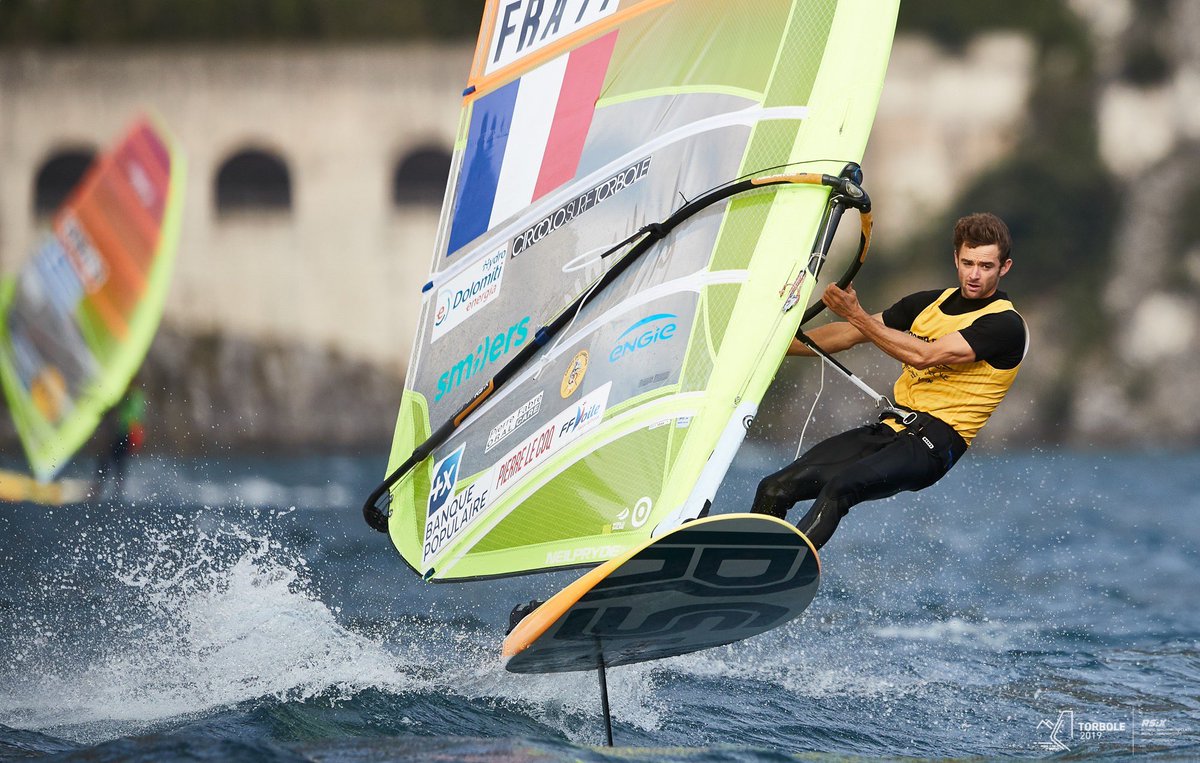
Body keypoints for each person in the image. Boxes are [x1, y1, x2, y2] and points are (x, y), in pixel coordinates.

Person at [751, 212, 1027, 550]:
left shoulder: (1004, 325)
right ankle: (746, 564)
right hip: (889, 429)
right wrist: (766, 350)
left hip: (933, 447)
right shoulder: (927, 304)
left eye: (986, 266)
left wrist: (856, 313)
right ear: (956, 257)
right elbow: (849, 334)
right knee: (774, 487)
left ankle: (783, 566)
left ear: (1004, 267)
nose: (974, 274)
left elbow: (924, 356)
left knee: (840, 487)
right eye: (968, 262)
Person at [92, 388, 146, 500]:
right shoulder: (130, 396)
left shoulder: (134, 397)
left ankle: (113, 489)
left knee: (115, 461)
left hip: (125, 434)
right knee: (109, 460)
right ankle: (102, 488)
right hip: (120, 433)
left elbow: (129, 416)